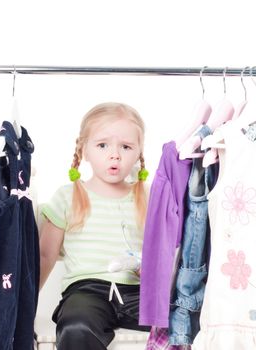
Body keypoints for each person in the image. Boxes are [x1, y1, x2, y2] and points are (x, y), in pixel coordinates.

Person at [39, 102, 151, 349]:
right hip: (87, 291)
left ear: (138, 152)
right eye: (102, 145)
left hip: (136, 292)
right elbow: (45, 255)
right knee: (76, 326)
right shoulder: (67, 197)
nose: (115, 155)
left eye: (126, 146)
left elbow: (163, 251)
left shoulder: (148, 197)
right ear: (85, 150)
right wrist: (24, 303)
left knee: (185, 318)